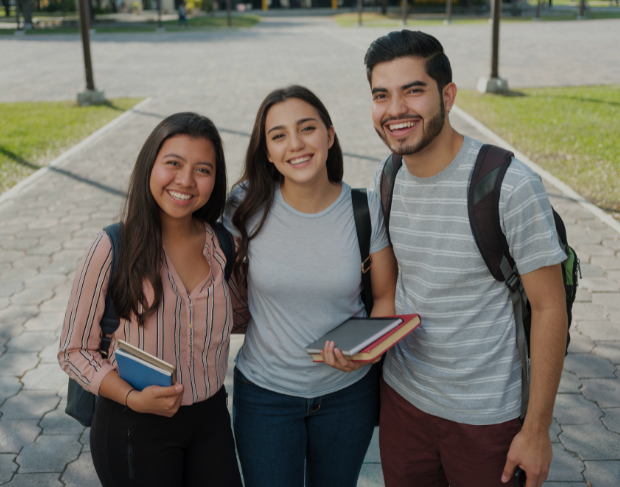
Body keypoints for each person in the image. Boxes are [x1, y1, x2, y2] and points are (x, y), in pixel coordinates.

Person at [364, 31, 569, 487]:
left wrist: (536, 431)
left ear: (448, 95)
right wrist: (360, 348)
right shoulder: (387, 175)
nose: (395, 110)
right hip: (403, 405)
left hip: (487, 418)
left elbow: (550, 307)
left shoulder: (511, 186)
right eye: (382, 95)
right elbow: (392, 289)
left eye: (413, 90)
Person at [58, 113, 249, 487]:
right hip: (133, 422)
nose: (186, 181)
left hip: (211, 419)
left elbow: (243, 316)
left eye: (202, 169)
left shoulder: (224, 245)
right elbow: (73, 350)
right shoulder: (113, 246)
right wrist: (132, 398)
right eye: (173, 164)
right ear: (150, 166)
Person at [223, 85, 398, 487]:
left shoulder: (364, 207)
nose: (296, 145)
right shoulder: (245, 205)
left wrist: (367, 353)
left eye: (307, 128)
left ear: (330, 135)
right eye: (279, 135)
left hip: (348, 395)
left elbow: (386, 296)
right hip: (265, 395)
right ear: (266, 151)